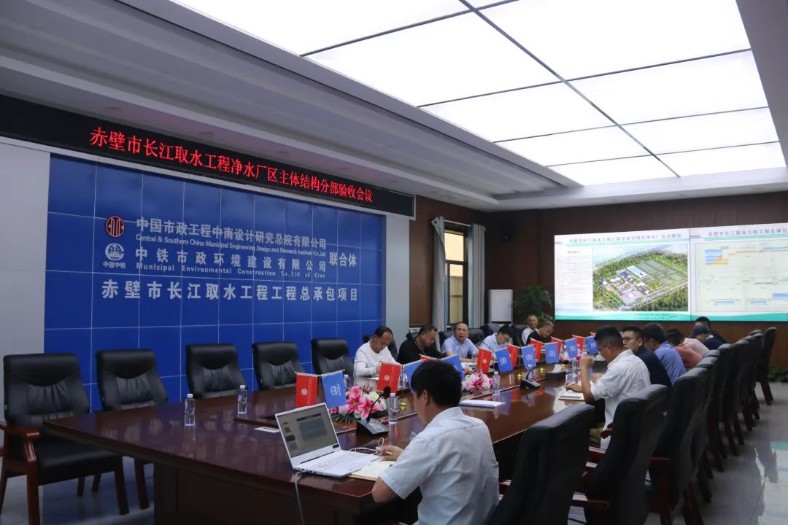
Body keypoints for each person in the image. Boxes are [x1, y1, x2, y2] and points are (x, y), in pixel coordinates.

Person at [373, 361, 499, 524]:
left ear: (425, 396)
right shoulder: (479, 427)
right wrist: (407, 456)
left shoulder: (429, 439)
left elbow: (379, 493)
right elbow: (449, 460)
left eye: (414, 397)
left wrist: (406, 459)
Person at [566, 325, 650, 447]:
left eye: (600, 350)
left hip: (617, 435)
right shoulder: (636, 361)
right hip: (635, 429)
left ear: (609, 348)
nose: (600, 354)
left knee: (569, 432)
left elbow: (589, 396)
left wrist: (583, 367)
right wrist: (582, 388)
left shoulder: (620, 367)